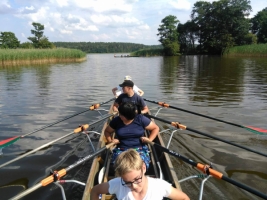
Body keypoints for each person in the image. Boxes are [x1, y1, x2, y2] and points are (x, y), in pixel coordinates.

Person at [90, 149, 190, 200]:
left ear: (144, 168)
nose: (134, 186)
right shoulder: (117, 184)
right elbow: (95, 191)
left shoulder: (160, 186)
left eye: (137, 179)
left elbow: (184, 198)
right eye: (127, 182)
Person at [105, 101, 158, 169]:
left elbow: (155, 128)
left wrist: (149, 139)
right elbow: (107, 131)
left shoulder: (140, 119)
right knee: (122, 167)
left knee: (139, 167)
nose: (119, 115)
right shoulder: (116, 120)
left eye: (121, 114)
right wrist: (110, 141)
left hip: (139, 149)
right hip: (121, 149)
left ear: (128, 116)